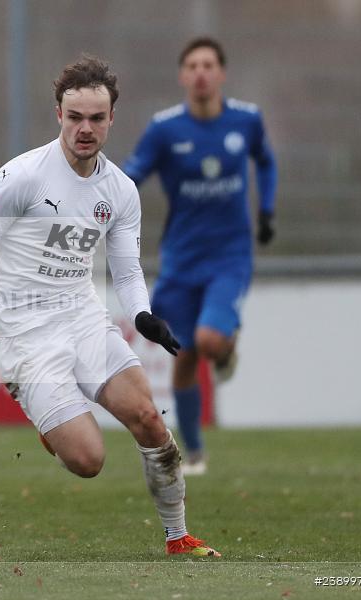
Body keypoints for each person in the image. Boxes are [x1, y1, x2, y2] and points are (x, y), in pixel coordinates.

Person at [0, 55, 221, 558]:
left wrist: (141, 316)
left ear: (112, 118)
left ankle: (178, 536)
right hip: (26, 328)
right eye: (75, 117)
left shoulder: (119, 191)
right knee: (89, 461)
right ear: (58, 116)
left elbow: (127, 269)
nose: (85, 129)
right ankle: (41, 412)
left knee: (150, 420)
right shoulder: (24, 176)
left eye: (96, 118)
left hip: (82, 314)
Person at [122, 37, 277, 475]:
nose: (201, 72)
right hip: (180, 260)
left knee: (209, 341)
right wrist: (107, 198)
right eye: (193, 65)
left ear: (221, 73)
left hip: (230, 256)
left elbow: (266, 162)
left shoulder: (246, 120)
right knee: (184, 352)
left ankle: (226, 351)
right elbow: (133, 174)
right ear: (182, 75)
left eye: (209, 64)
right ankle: (194, 452)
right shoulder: (165, 129)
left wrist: (266, 209)